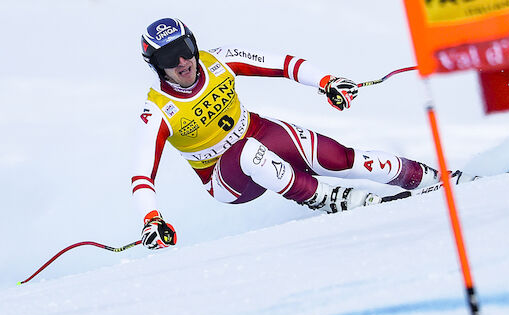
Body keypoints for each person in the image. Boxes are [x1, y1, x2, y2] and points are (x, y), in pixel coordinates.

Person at [134, 18, 475, 250]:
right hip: (224, 177)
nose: (182, 61)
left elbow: (283, 63)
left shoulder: (217, 60)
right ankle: (333, 200)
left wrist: (327, 82)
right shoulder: (158, 109)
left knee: (342, 158)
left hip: (257, 132)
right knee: (248, 152)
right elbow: (142, 174)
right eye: (167, 57)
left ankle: (433, 178)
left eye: (184, 49)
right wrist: (152, 219)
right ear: (156, 66)